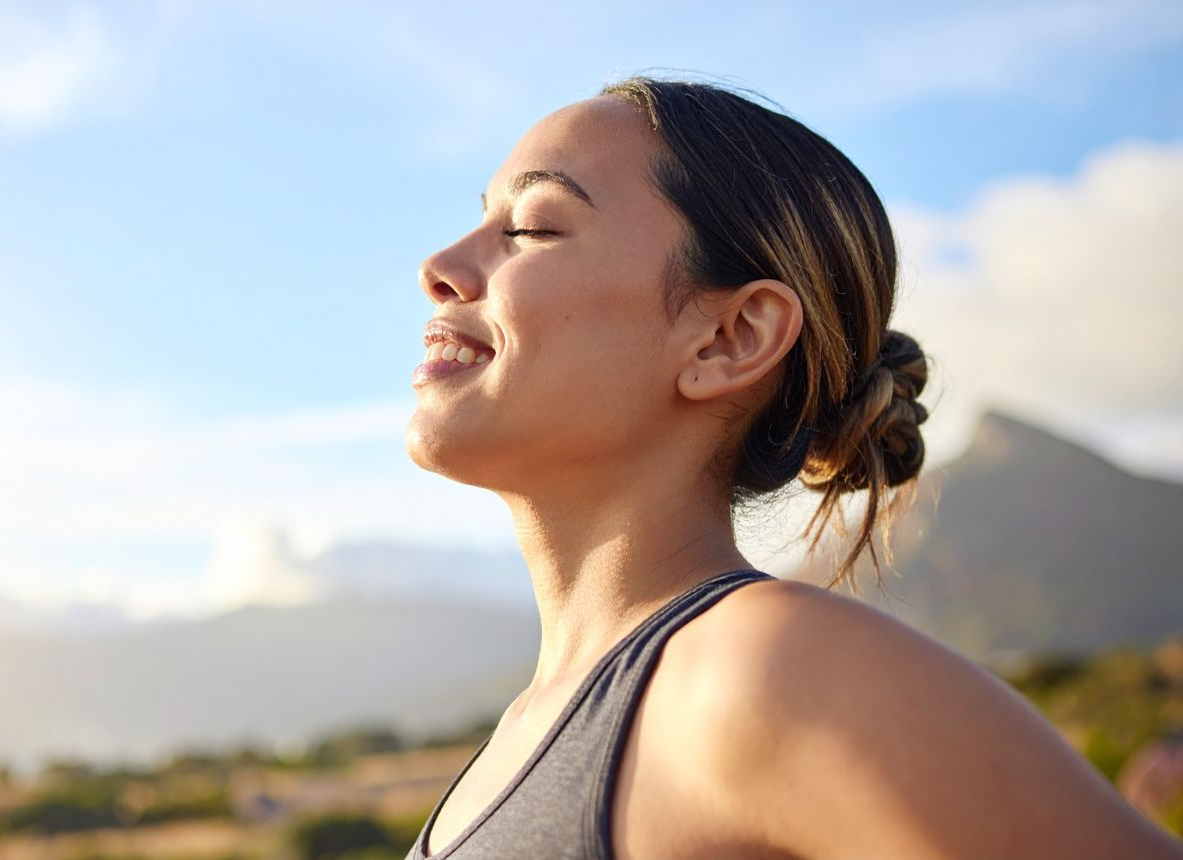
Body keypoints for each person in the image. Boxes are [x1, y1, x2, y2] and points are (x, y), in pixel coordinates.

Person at [403, 76, 1182, 859]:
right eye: (480, 219)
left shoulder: (762, 675)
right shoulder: (529, 730)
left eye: (533, 227)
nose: (438, 265)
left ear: (731, 338)